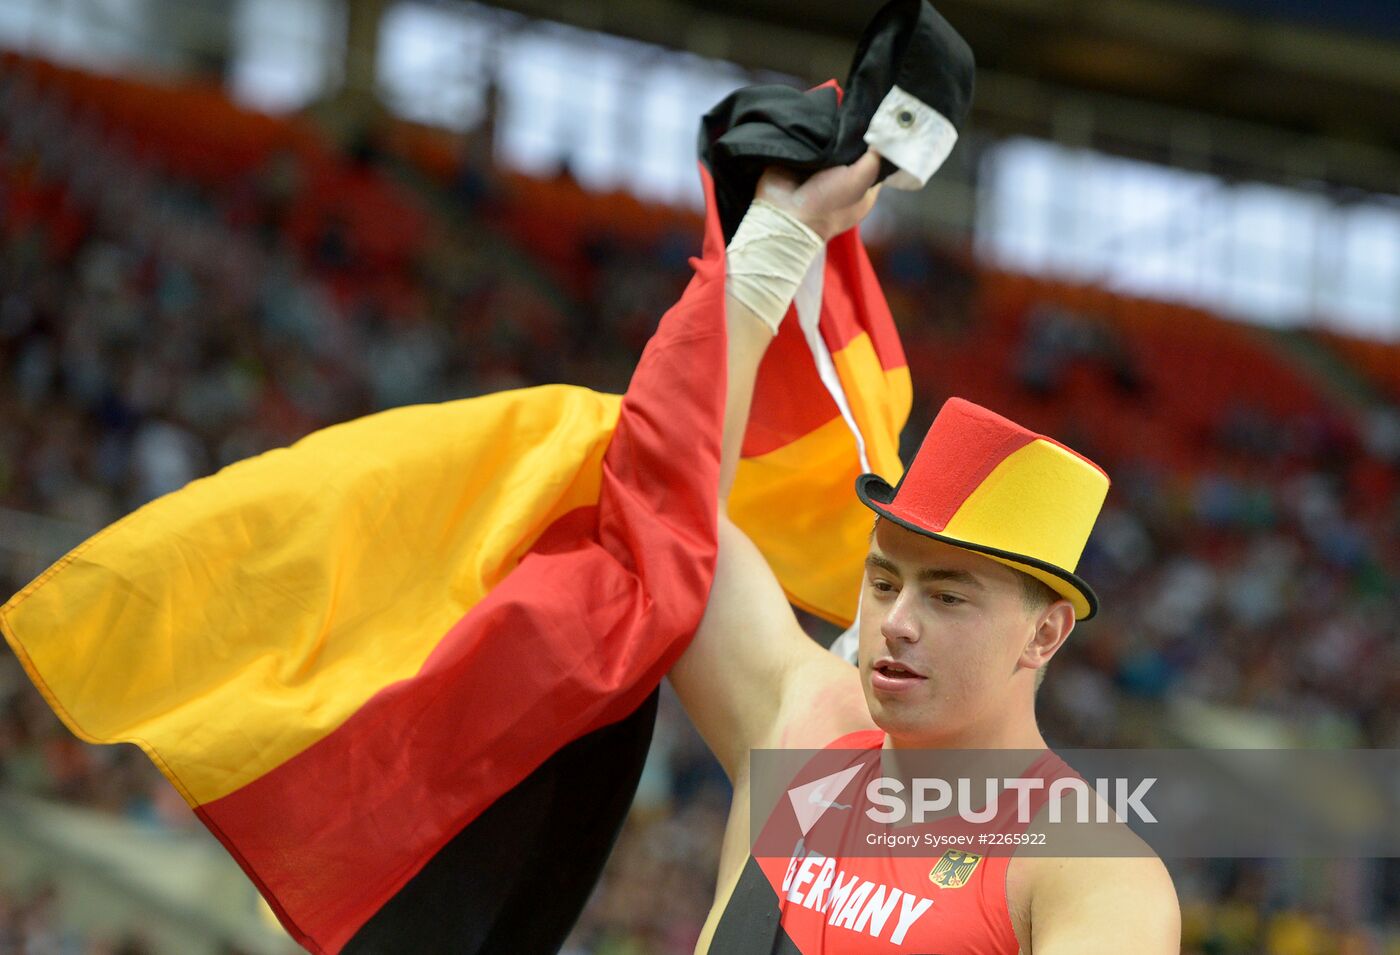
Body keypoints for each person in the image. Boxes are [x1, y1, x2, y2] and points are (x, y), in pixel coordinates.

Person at [668, 150, 1181, 953]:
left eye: (947, 595)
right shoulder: (805, 732)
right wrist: (780, 234)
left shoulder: (1089, 872)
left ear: (1045, 633)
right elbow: (676, 514)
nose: (896, 622)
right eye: (882, 582)